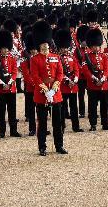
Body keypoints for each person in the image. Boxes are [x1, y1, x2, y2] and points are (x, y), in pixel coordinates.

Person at [29, 21, 66, 156]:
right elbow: (35, 76)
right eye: (43, 44)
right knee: (42, 123)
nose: (45, 46)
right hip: (42, 95)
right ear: (39, 45)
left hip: (55, 94)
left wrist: (55, 87)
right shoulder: (35, 59)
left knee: (57, 123)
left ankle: (59, 145)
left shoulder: (55, 57)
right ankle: (42, 147)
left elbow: (60, 73)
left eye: (47, 44)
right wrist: (45, 90)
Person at [78, 28, 108, 131]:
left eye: (98, 46)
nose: (96, 48)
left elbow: (107, 69)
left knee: (104, 106)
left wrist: (103, 79)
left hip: (103, 84)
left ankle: (105, 123)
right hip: (92, 85)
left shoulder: (103, 56)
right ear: (91, 46)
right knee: (92, 107)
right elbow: (85, 70)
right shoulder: (87, 57)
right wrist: (94, 79)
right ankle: (93, 124)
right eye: (94, 46)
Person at [0, 28, 20, 138]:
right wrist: (2, 83)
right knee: (2, 111)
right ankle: (2, 131)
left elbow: (14, 72)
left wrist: (10, 82)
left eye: (7, 48)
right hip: (1, 88)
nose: (5, 50)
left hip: (11, 88)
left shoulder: (11, 57)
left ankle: (13, 130)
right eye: (3, 48)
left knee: (12, 110)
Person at [54, 27, 81, 133]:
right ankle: (62, 126)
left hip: (73, 86)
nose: (64, 49)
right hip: (63, 86)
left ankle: (76, 126)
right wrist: (67, 80)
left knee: (74, 108)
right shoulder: (57, 58)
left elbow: (76, 70)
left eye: (65, 47)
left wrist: (74, 80)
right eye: (62, 48)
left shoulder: (72, 57)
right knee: (62, 108)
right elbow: (58, 72)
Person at [19, 32, 37, 136]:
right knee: (31, 110)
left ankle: (41, 128)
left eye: (35, 49)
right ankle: (32, 129)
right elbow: (26, 75)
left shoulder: (40, 58)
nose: (34, 51)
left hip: (39, 88)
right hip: (30, 88)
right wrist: (35, 84)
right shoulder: (25, 60)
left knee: (40, 110)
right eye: (32, 50)